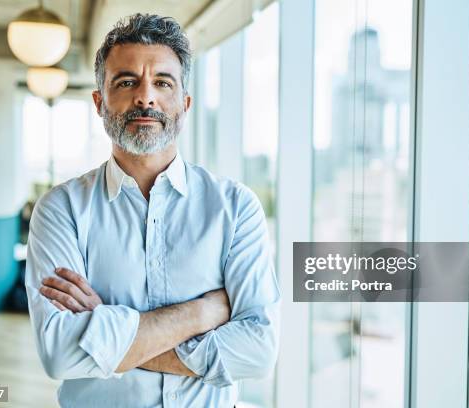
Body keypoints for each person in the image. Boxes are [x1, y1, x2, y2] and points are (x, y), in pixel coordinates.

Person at [25, 13, 281, 408]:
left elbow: (258, 350)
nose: (145, 97)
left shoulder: (236, 208)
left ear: (185, 103)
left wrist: (108, 336)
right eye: (126, 82)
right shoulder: (61, 210)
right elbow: (60, 354)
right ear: (99, 101)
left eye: (163, 82)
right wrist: (203, 313)